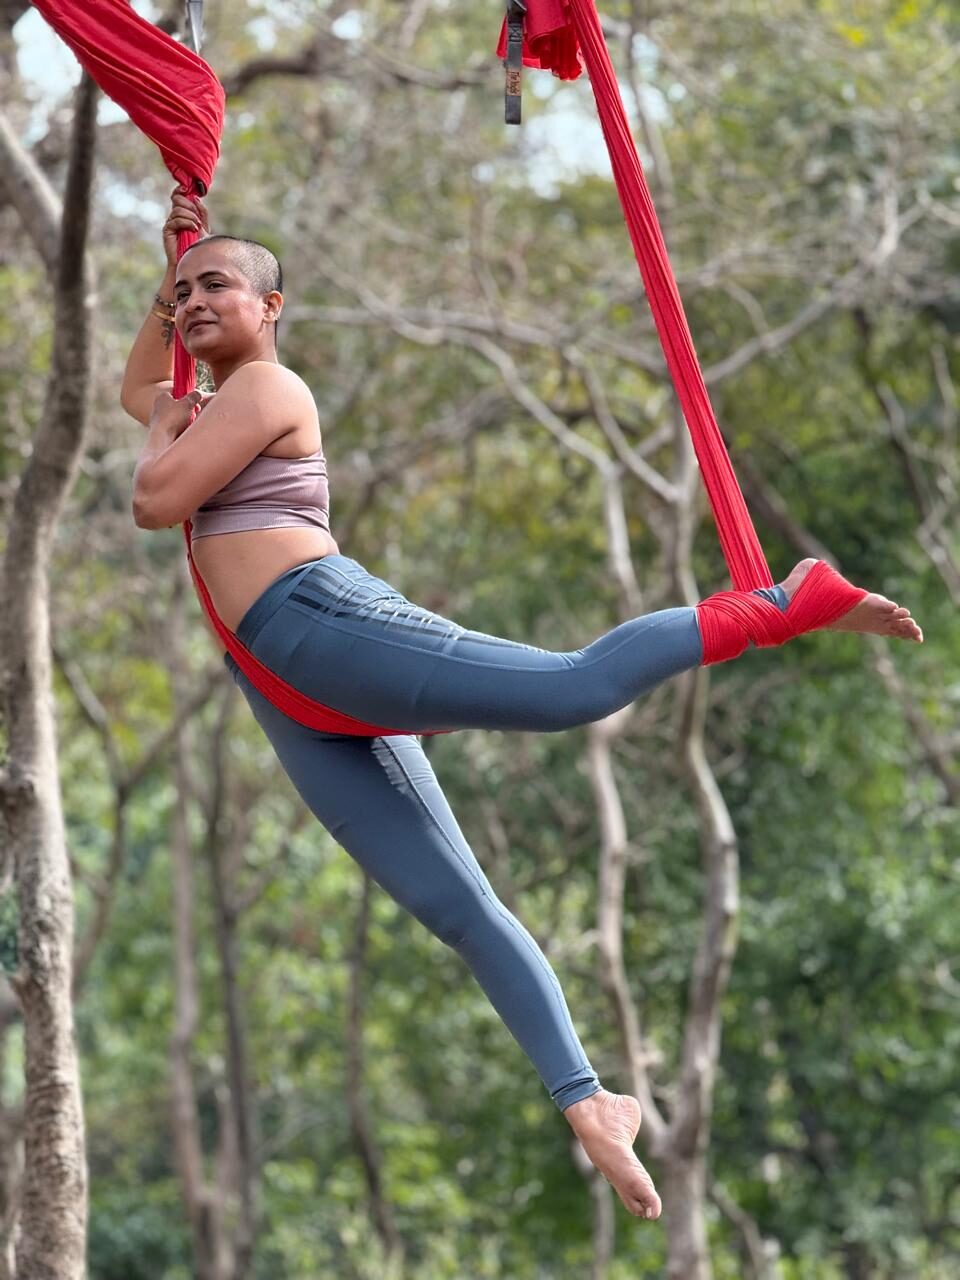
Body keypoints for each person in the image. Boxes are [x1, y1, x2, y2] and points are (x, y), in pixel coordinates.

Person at [121, 190, 922, 1222]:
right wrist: (169, 268)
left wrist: (162, 419)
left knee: (569, 685)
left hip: (317, 619)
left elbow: (154, 500)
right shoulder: (195, 394)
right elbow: (145, 380)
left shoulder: (265, 385)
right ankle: (590, 1102)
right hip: (285, 685)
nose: (190, 303)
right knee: (457, 906)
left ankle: (780, 603)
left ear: (273, 305)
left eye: (215, 286)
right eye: (180, 295)